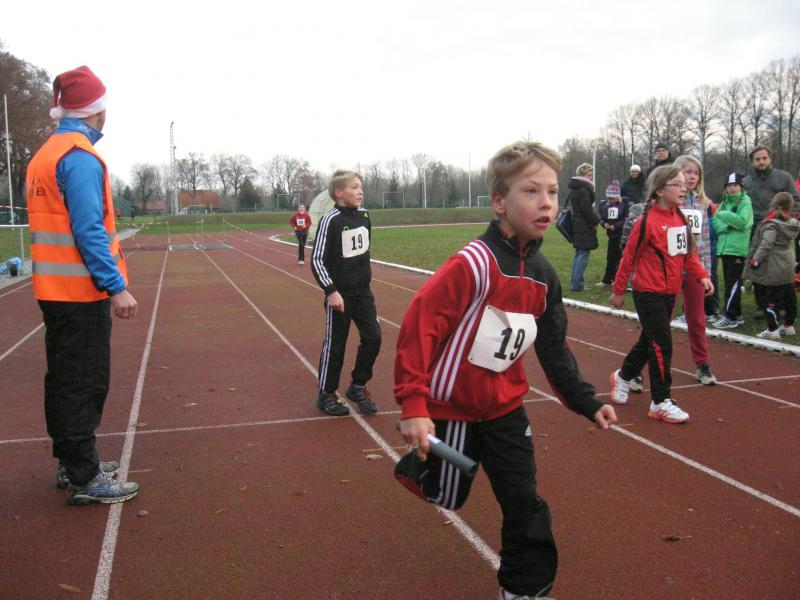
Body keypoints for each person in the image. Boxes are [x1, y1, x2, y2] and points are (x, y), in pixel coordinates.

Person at [394, 141, 617, 599]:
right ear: (499, 201)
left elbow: (553, 346)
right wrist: (414, 405)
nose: (546, 202)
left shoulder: (543, 276)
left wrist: (584, 399)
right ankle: (421, 466)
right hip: (453, 408)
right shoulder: (473, 264)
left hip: (505, 411)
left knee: (524, 502)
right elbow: (420, 327)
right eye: (531, 191)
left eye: (552, 192)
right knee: (446, 495)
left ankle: (523, 589)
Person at [25, 66, 139, 504]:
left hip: (54, 289)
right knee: (84, 382)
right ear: (97, 109)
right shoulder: (79, 157)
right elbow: (89, 229)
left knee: (63, 379)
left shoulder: (46, 154)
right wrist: (115, 286)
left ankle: (74, 461)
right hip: (80, 292)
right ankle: (85, 477)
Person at [609, 166, 713, 424]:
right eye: (677, 184)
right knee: (661, 344)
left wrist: (702, 276)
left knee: (650, 340)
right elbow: (628, 258)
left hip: (670, 293)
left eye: (683, 184)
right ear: (659, 191)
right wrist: (618, 290)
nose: (683, 189)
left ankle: (623, 376)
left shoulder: (681, 219)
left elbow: (688, 256)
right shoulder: (646, 223)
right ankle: (660, 401)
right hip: (647, 292)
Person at [310, 170, 381, 417]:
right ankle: (326, 393)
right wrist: (331, 291)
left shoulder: (364, 216)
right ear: (339, 192)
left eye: (361, 187)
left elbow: (364, 252)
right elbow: (317, 259)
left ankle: (358, 386)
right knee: (336, 345)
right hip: (340, 295)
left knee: (374, 337)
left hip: (363, 293)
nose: (360, 191)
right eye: (354, 187)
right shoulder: (330, 220)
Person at [672, 155, 717, 385]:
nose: (691, 177)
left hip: (694, 268)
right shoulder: (669, 200)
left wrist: (706, 272)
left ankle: (702, 364)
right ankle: (639, 366)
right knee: (660, 319)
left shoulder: (702, 204)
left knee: (697, 318)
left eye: (696, 173)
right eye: (687, 172)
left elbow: (705, 240)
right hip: (670, 268)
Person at [742, 147, 799, 319]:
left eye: (764, 158)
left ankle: (780, 305)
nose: (761, 162)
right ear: (752, 161)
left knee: (778, 269)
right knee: (758, 266)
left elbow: (796, 200)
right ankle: (762, 305)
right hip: (756, 229)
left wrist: (785, 219)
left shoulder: (784, 177)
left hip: (779, 228)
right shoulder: (746, 182)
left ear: (770, 159)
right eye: (757, 159)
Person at [742, 192, 799, 340]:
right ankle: (788, 325)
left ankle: (772, 329)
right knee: (788, 295)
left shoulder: (772, 224)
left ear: (774, 204)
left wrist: (756, 260)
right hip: (787, 262)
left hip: (774, 263)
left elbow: (766, 244)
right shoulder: (791, 223)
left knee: (771, 297)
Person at [712, 173, 754, 329]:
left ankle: (730, 316)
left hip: (737, 249)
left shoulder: (745, 202)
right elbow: (716, 223)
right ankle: (737, 314)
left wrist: (724, 215)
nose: (732, 188)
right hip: (724, 248)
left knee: (733, 284)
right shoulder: (724, 202)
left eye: (735, 185)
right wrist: (727, 226)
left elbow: (743, 222)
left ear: (741, 187)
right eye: (729, 185)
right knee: (729, 282)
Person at [566, 163, 599, 291]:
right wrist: (595, 221)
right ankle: (577, 284)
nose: (591, 178)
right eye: (589, 175)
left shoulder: (576, 188)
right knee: (584, 254)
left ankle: (575, 283)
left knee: (579, 253)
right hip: (584, 224)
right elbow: (586, 210)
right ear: (582, 175)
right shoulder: (584, 190)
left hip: (577, 223)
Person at [596, 180, 629, 286]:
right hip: (611, 235)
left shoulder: (625, 204)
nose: (611, 200)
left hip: (621, 235)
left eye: (613, 198)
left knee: (619, 258)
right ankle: (607, 279)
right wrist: (604, 224)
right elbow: (602, 218)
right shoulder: (605, 205)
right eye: (609, 198)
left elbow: (626, 219)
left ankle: (616, 279)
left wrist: (616, 226)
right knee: (610, 258)